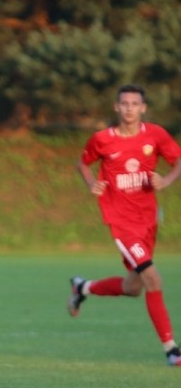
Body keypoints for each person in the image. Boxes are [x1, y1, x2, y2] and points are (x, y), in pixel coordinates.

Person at [68, 84, 181, 366]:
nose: (129, 108)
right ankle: (171, 350)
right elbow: (83, 163)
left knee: (133, 287)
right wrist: (91, 183)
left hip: (148, 220)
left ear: (143, 108)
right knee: (153, 278)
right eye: (125, 103)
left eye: (135, 104)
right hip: (121, 223)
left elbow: (178, 160)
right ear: (116, 107)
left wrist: (166, 180)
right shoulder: (102, 139)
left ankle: (83, 288)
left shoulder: (155, 135)